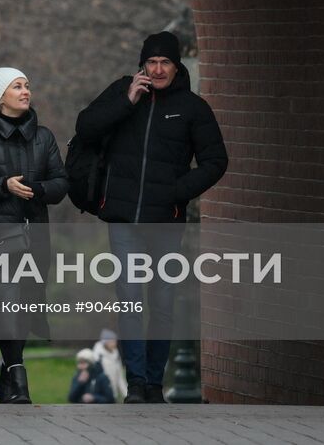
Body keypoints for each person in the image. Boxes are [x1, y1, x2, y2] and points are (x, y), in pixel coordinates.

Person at [74, 31, 228, 404]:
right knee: (129, 300)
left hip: (165, 221)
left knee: (161, 303)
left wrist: (176, 192)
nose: (157, 70)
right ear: (142, 65)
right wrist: (126, 102)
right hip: (124, 219)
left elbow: (215, 162)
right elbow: (86, 127)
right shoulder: (123, 92)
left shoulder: (193, 108)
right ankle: (137, 383)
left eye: (165, 63)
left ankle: (155, 382)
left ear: (176, 67)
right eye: (151, 63)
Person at [0, 66, 69, 404]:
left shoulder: (44, 137)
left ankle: (7, 375)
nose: (25, 91)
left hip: (35, 235)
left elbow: (61, 184)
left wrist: (36, 189)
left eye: (27, 85)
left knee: (25, 305)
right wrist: (2, 185)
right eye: (16, 86)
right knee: (6, 302)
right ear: (0, 96)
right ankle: (19, 377)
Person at [92, 329, 128, 403]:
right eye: (111, 341)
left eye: (115, 341)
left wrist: (126, 395)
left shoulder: (116, 356)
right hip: (100, 397)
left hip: (113, 396)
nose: (114, 343)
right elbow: (94, 378)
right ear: (105, 342)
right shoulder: (97, 357)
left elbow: (120, 378)